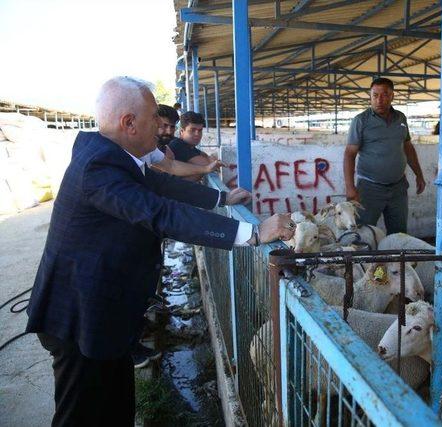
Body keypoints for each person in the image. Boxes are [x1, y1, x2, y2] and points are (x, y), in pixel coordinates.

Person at [25, 76, 295, 427]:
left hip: (105, 312)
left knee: (117, 408)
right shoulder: (100, 167)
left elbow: (162, 185)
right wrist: (254, 233)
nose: (163, 126)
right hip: (79, 317)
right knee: (81, 415)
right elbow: (160, 212)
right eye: (155, 117)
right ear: (129, 123)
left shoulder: (117, 157)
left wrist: (220, 198)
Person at [344, 77, 426, 235]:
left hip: (398, 187)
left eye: (385, 95)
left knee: (399, 233)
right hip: (369, 188)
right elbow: (349, 154)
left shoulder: (401, 118)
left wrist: (419, 174)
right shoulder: (361, 121)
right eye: (375, 95)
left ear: (392, 96)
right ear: (370, 96)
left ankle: (395, 260)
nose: (379, 100)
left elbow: (407, 147)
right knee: (364, 232)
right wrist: (350, 187)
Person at [168, 111, 218, 182]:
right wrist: (211, 160)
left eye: (200, 130)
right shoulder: (177, 145)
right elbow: (208, 164)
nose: (197, 134)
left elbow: (207, 157)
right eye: (192, 130)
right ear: (182, 131)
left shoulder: (191, 147)